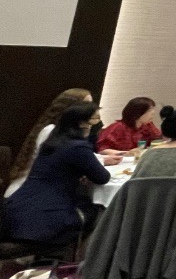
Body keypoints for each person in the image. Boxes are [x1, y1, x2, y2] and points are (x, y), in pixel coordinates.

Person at [5, 101, 112, 244]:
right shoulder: (78, 147)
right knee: (100, 210)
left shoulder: (51, 143)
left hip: (14, 211)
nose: (98, 123)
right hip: (46, 219)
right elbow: (102, 177)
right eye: (95, 119)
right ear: (83, 123)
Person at [6, 87, 93, 198]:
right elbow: (70, 161)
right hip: (27, 194)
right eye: (86, 105)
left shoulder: (61, 130)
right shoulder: (52, 131)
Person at [95, 96, 163, 154]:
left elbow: (158, 140)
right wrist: (127, 153)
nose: (153, 113)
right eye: (149, 110)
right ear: (138, 112)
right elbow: (102, 150)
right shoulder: (118, 127)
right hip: (119, 161)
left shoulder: (148, 125)